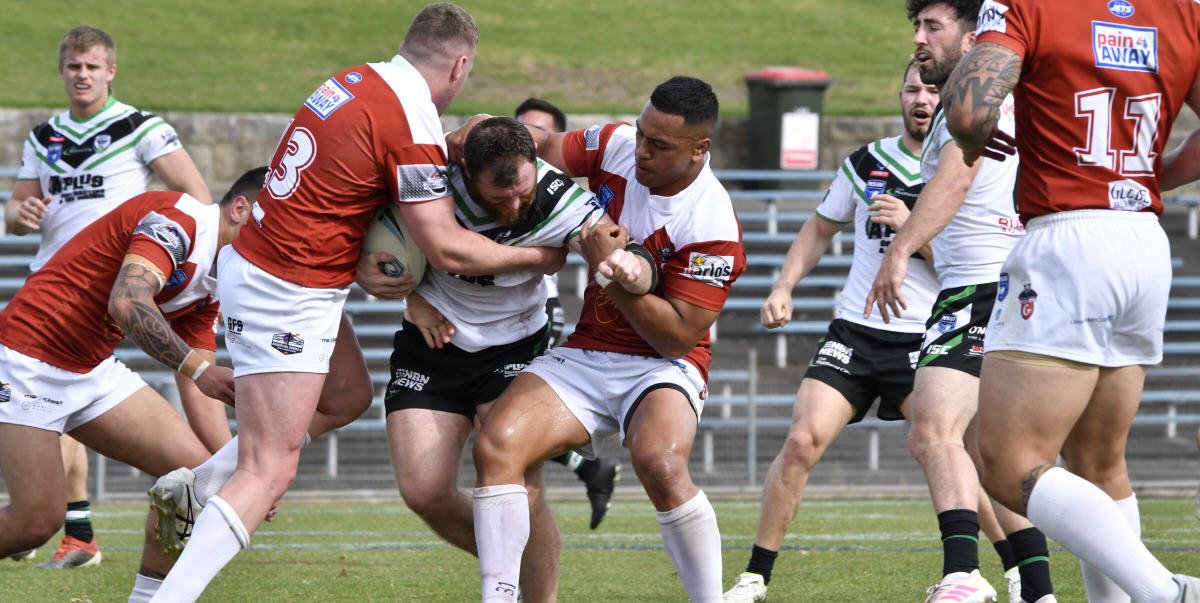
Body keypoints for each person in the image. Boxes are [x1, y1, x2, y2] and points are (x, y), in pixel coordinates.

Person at [148, 5, 568, 601]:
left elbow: (349, 184)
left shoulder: (356, 81)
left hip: (276, 271)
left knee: (348, 395)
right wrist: (540, 258)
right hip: (286, 291)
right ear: (461, 64)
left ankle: (197, 487)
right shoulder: (409, 116)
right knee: (268, 470)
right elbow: (447, 248)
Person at [944, 1, 1200, 601]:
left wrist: (970, 129)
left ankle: (1165, 593)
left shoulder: (1030, 5)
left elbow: (968, 111)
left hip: (1067, 240)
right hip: (1140, 236)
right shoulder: (1184, 12)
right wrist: (1153, 176)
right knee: (1098, 460)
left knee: (1006, 463)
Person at [466, 76, 745, 602]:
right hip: (588, 349)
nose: (640, 151)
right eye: (641, 134)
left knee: (661, 463)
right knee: (496, 444)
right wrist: (477, 132)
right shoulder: (616, 144)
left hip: (662, 365)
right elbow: (539, 147)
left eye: (659, 145)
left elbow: (676, 339)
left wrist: (604, 270)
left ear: (699, 149)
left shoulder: (713, 222)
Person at [386, 116, 640, 600]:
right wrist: (408, 293)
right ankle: (510, 563)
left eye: (522, 191)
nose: (516, 204)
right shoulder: (432, 175)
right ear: (466, 170)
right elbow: (364, 222)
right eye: (499, 197)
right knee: (424, 491)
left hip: (517, 346)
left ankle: (529, 593)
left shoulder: (559, 197)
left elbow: (609, 242)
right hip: (434, 343)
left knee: (519, 477)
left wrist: (614, 256)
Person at [724, 60, 942, 602]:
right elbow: (819, 229)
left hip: (926, 338)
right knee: (800, 442)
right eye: (913, 88)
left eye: (934, 89)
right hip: (855, 330)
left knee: (950, 451)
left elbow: (974, 264)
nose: (922, 98)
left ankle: (1012, 574)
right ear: (899, 96)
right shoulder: (867, 161)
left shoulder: (965, 170)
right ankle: (754, 577)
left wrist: (912, 232)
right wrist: (783, 287)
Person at [4, 24, 216, 569]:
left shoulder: (140, 127)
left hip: (104, 324)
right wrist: (19, 214)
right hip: (45, 322)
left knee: (197, 477)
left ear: (110, 71)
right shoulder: (43, 136)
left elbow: (196, 199)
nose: (82, 75)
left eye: (92, 66)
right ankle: (76, 530)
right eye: (74, 66)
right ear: (62, 71)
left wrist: (161, 256)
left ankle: (118, 564)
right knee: (33, 520)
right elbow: (18, 208)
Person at [864, 3, 1056, 602]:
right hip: (1003, 280)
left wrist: (900, 249)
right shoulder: (1001, 99)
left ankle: (965, 577)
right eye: (915, 28)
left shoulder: (965, 103)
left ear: (975, 37)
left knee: (932, 432)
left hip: (980, 283)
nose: (919, 40)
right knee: (988, 453)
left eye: (932, 27)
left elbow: (958, 181)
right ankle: (1038, 588)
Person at [0, 169, 260, 602]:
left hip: (91, 368)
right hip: (27, 360)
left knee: (193, 482)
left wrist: (241, 471)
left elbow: (199, 382)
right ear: (240, 208)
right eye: (276, 220)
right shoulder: (177, 220)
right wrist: (198, 369)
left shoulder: (216, 277)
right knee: (36, 522)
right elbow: (128, 301)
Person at [514, 96, 621, 530]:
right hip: (502, 310)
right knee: (490, 420)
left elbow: (587, 243)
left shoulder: (560, 197)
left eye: (538, 134)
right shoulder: (500, 174)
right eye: (521, 130)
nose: (527, 143)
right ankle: (589, 469)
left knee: (506, 419)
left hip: (541, 310)